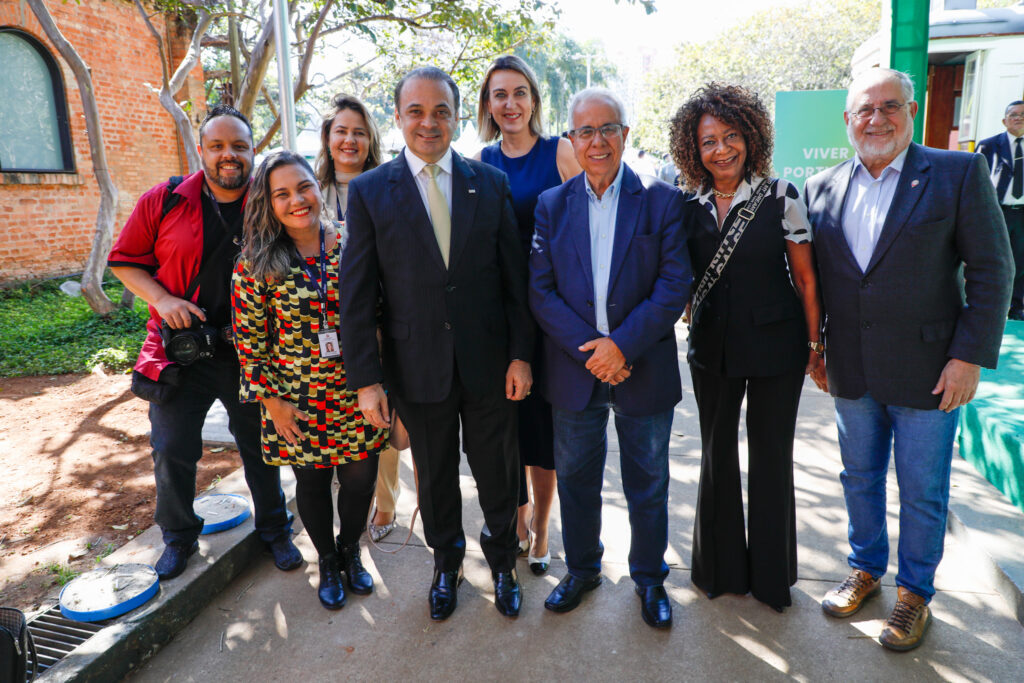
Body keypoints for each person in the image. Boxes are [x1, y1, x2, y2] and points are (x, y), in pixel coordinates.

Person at [805, 67, 1012, 651]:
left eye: (889, 106)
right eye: (864, 110)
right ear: (848, 120)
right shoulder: (821, 187)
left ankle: (915, 594)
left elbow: (994, 271)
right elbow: (817, 279)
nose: (877, 118)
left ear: (912, 111)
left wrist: (969, 357)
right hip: (851, 369)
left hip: (931, 371)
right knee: (858, 477)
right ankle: (866, 568)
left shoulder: (956, 173)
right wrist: (817, 348)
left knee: (922, 490)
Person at [339, 66, 534, 621]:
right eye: (417, 112)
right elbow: (357, 294)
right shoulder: (372, 191)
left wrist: (521, 353)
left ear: (456, 116)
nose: (430, 122)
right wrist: (367, 379)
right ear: (398, 117)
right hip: (415, 365)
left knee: (498, 470)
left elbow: (514, 282)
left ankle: (503, 563)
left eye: (441, 111)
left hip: (491, 364)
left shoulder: (490, 183)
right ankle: (445, 565)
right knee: (437, 472)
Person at [108, 105, 298, 581]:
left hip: (250, 350)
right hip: (182, 350)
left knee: (260, 445)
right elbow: (125, 260)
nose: (228, 155)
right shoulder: (166, 199)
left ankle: (275, 529)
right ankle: (178, 538)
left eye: (239, 145)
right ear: (201, 151)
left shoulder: (270, 200)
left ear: (252, 150)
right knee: (171, 448)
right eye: (217, 146)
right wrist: (161, 297)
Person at [529, 88, 691, 628]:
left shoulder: (663, 200)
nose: (596, 142)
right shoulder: (552, 205)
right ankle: (581, 569)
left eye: (607, 129)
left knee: (648, 479)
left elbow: (674, 285)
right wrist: (595, 353)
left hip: (641, 364)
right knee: (576, 478)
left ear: (625, 134)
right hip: (576, 372)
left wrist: (620, 346)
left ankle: (649, 579)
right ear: (570, 139)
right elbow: (541, 292)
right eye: (585, 131)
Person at [668, 83, 821, 613]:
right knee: (716, 455)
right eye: (708, 141)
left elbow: (805, 279)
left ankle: (772, 578)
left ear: (751, 137)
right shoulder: (686, 204)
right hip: (711, 348)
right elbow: (678, 278)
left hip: (778, 348)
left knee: (771, 456)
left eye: (731, 136)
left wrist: (814, 344)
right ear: (694, 148)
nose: (721, 149)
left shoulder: (783, 195)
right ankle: (720, 569)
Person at [231, 150, 386, 610]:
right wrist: (271, 403)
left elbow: (379, 314)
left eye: (304, 187)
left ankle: (351, 551)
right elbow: (248, 341)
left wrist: (384, 381)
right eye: (282, 194)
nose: (297, 200)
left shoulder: (352, 244)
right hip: (296, 398)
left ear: (319, 189)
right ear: (268, 202)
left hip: (356, 389)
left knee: (360, 481)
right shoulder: (255, 263)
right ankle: (328, 561)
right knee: (314, 485)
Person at [474, 55, 582, 575]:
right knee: (508, 430)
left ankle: (542, 527)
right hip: (499, 318)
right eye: (500, 95)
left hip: (550, 312)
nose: (510, 103)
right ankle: (515, 525)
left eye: (519, 93)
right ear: (488, 105)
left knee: (542, 432)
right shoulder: (480, 162)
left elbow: (587, 225)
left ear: (534, 100)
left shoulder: (561, 152)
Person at [314, 93, 403, 542]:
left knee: (381, 420)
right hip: (320, 328)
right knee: (337, 419)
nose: (350, 140)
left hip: (381, 326)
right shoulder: (308, 189)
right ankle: (345, 509)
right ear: (328, 138)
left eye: (360, 132)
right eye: (341, 131)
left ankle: (384, 507)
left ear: (372, 141)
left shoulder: (389, 188)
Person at [977, 100, 1024, 320]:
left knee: (1021, 261)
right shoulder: (988, 146)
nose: (1018, 118)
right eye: (1013, 114)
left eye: (1023, 114)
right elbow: (976, 182)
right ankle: (989, 305)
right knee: (994, 259)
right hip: (998, 212)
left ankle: (1017, 307)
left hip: (1022, 213)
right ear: (1004, 120)